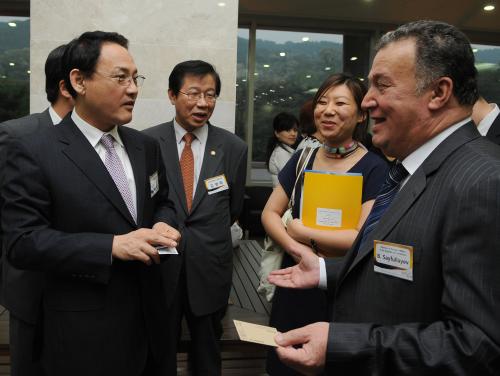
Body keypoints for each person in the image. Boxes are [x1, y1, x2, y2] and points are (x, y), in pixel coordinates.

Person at [268, 20, 500, 376]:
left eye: (382, 85)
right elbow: (410, 267)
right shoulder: (411, 170)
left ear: (438, 93)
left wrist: (343, 345)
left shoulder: (483, 182)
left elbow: (478, 344)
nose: (368, 100)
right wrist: (326, 271)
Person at [1, 31, 180, 376]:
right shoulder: (35, 149)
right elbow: (23, 242)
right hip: (82, 334)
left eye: (135, 77)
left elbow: (164, 203)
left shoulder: (146, 147)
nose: (133, 89)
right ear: (78, 81)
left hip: (151, 325)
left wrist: (162, 222)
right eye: (120, 77)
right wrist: (111, 246)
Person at [263, 73, 388, 375]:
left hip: (342, 288)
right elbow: (269, 213)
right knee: (284, 363)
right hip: (295, 282)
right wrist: (296, 248)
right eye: (322, 102)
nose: (327, 110)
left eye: (340, 103)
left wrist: (300, 230)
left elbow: (361, 238)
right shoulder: (303, 157)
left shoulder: (376, 167)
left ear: (361, 115)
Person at [143, 60, 247, 375]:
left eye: (211, 95)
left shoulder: (233, 147)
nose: (203, 103)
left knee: (207, 353)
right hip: (161, 266)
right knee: (158, 353)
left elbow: (233, 209)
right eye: (193, 93)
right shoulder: (146, 144)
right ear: (172, 95)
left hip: (210, 269)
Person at [0, 43, 74, 376]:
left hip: (89, 298)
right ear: (69, 85)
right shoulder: (18, 135)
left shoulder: (111, 142)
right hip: (34, 292)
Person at [267, 112, 299, 187]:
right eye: (288, 130)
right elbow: (292, 180)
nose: (293, 134)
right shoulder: (281, 153)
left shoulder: (283, 150)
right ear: (277, 133)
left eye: (295, 130)